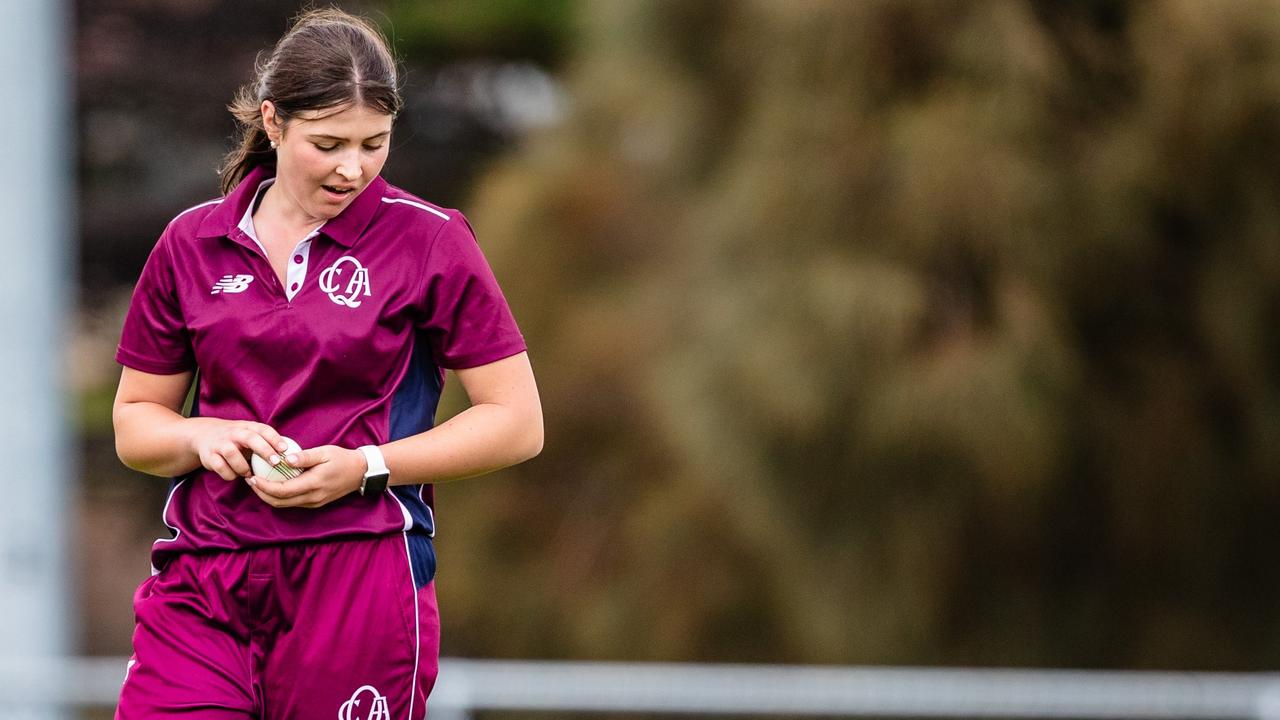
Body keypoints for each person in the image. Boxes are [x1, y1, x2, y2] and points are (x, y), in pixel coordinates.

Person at [111, 9, 543, 719]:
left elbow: (517, 423)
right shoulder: (190, 244)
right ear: (274, 123)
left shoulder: (432, 242)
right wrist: (202, 436)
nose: (354, 167)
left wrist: (365, 466)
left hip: (361, 575)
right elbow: (136, 423)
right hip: (206, 576)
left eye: (375, 143)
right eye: (329, 143)